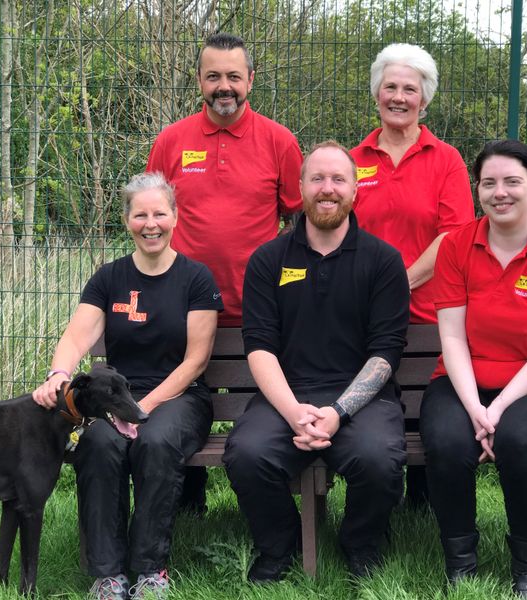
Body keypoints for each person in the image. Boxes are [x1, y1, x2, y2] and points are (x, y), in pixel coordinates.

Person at [223, 141, 410, 582]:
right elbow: (260, 347)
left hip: (362, 400)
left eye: (339, 179)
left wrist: (337, 412)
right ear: (301, 188)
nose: (328, 189)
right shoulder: (269, 260)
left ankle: (361, 543)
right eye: (318, 179)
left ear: (355, 189)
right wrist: (292, 412)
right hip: (285, 395)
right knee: (247, 454)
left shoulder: (384, 262)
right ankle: (278, 545)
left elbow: (386, 352)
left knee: (380, 458)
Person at [32, 173, 223, 600]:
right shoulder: (109, 278)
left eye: (159, 213)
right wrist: (58, 375)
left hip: (179, 396)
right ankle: (108, 573)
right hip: (116, 395)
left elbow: (196, 361)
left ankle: (150, 569)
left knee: (154, 441)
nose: (150, 223)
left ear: (175, 217)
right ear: (127, 220)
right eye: (140, 214)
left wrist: (142, 409)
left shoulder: (196, 279)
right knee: (98, 443)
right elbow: (76, 338)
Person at [419, 140, 527, 598]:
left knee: (520, 440)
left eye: (512, 182)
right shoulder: (456, 246)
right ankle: (460, 563)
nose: (499, 193)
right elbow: (451, 336)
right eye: (488, 183)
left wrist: (500, 408)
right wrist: (475, 406)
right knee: (447, 442)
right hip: (461, 383)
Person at [146, 32, 303, 513]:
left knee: (259, 416)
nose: (224, 86)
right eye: (213, 76)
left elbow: (298, 221)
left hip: (257, 311)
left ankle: (268, 508)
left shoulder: (279, 141)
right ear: (199, 81)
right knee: (184, 406)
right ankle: (187, 505)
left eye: (234, 76)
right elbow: (152, 215)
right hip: (184, 310)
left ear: (250, 79)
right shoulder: (171, 141)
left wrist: (292, 286)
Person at [351, 42, 475, 506]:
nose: (399, 97)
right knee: (377, 406)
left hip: (428, 309)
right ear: (376, 94)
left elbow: (454, 235)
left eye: (410, 89)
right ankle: (382, 498)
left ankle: (424, 504)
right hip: (363, 313)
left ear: (425, 99)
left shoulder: (446, 160)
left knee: (428, 406)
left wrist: (396, 286)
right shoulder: (353, 159)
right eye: (390, 87)